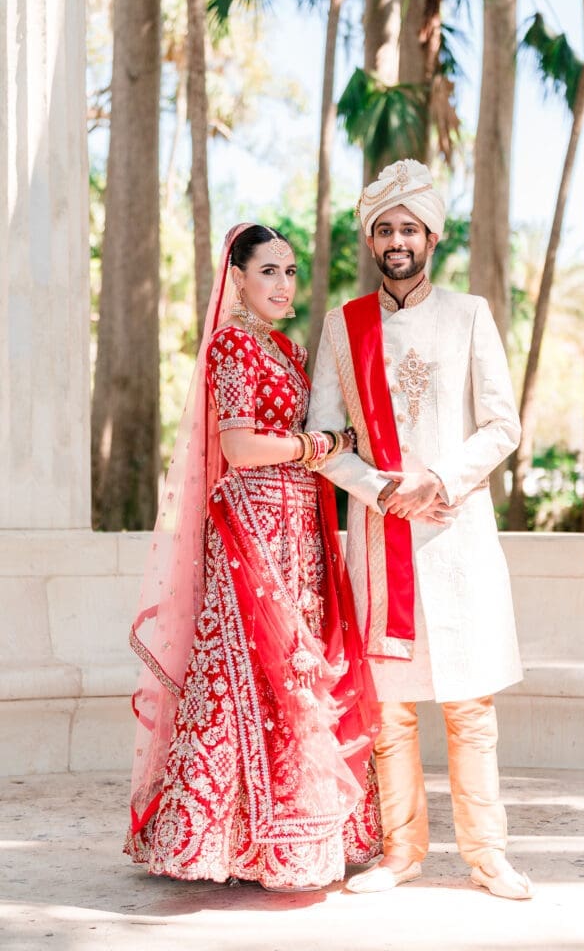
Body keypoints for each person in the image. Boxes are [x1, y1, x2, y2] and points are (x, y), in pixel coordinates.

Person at [124, 223, 381, 891]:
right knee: (249, 675)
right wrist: (316, 444)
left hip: (299, 533)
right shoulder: (232, 345)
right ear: (236, 276)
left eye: (291, 271)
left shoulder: (289, 352)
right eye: (268, 270)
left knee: (296, 673)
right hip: (251, 530)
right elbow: (238, 448)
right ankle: (220, 840)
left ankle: (293, 837)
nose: (283, 283)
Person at [306, 160, 532, 899]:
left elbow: (502, 425)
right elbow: (322, 436)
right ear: (369, 241)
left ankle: (487, 854)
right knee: (392, 710)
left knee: (469, 704)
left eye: (408, 227)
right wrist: (379, 491)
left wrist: (438, 480)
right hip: (380, 537)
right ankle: (401, 853)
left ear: (430, 235)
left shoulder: (468, 314)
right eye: (383, 229)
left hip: (455, 532)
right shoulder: (345, 326)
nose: (396, 240)